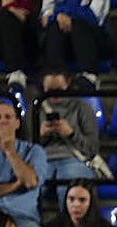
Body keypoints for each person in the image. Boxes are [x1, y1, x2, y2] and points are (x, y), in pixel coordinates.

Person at [36, 68, 101, 199]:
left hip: (74, 159)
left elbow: (93, 148)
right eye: (50, 90)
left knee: (72, 193)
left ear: (68, 84)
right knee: (26, 193)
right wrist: (40, 136)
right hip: (42, 160)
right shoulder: (36, 109)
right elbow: (24, 150)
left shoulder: (83, 108)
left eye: (59, 89)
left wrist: (71, 133)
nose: (54, 94)